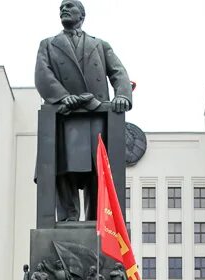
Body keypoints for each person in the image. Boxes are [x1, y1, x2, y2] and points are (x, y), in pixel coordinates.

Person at [34, 0, 132, 222]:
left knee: (97, 171)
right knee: (63, 170)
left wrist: (122, 95)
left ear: (82, 14)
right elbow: (43, 74)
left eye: (69, 6)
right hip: (65, 118)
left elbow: (118, 72)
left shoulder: (100, 45)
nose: (64, 10)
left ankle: (96, 221)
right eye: (61, 8)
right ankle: (68, 219)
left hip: (95, 115)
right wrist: (62, 96)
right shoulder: (48, 44)